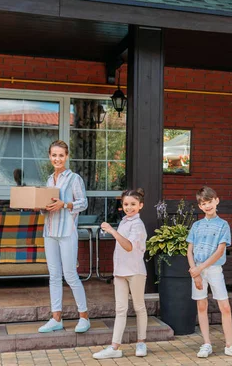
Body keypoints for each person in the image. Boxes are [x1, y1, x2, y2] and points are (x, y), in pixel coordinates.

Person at [186, 186, 232, 359]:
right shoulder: (196, 226)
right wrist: (195, 271)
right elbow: (189, 250)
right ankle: (206, 344)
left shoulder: (223, 225)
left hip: (213, 270)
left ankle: (230, 345)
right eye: (203, 203)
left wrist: (200, 268)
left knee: (225, 306)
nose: (207, 206)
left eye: (209, 202)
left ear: (217, 201)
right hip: (197, 270)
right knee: (201, 305)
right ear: (200, 206)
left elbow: (220, 251)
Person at [37, 140, 91, 334]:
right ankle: (56, 318)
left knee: (70, 275)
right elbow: (47, 208)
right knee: (54, 275)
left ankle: (84, 317)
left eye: (61, 155)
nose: (57, 159)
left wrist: (66, 204)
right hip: (49, 232)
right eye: (54, 155)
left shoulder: (74, 178)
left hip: (67, 232)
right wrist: (40, 207)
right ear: (49, 157)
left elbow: (83, 203)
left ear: (66, 156)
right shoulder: (49, 180)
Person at [93, 188, 148, 359]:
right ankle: (114, 347)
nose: (129, 207)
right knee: (121, 309)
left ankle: (141, 343)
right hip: (120, 272)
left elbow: (129, 246)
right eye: (126, 204)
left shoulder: (138, 225)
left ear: (140, 205)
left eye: (132, 204)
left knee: (139, 307)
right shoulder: (124, 221)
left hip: (135, 271)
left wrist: (112, 231)